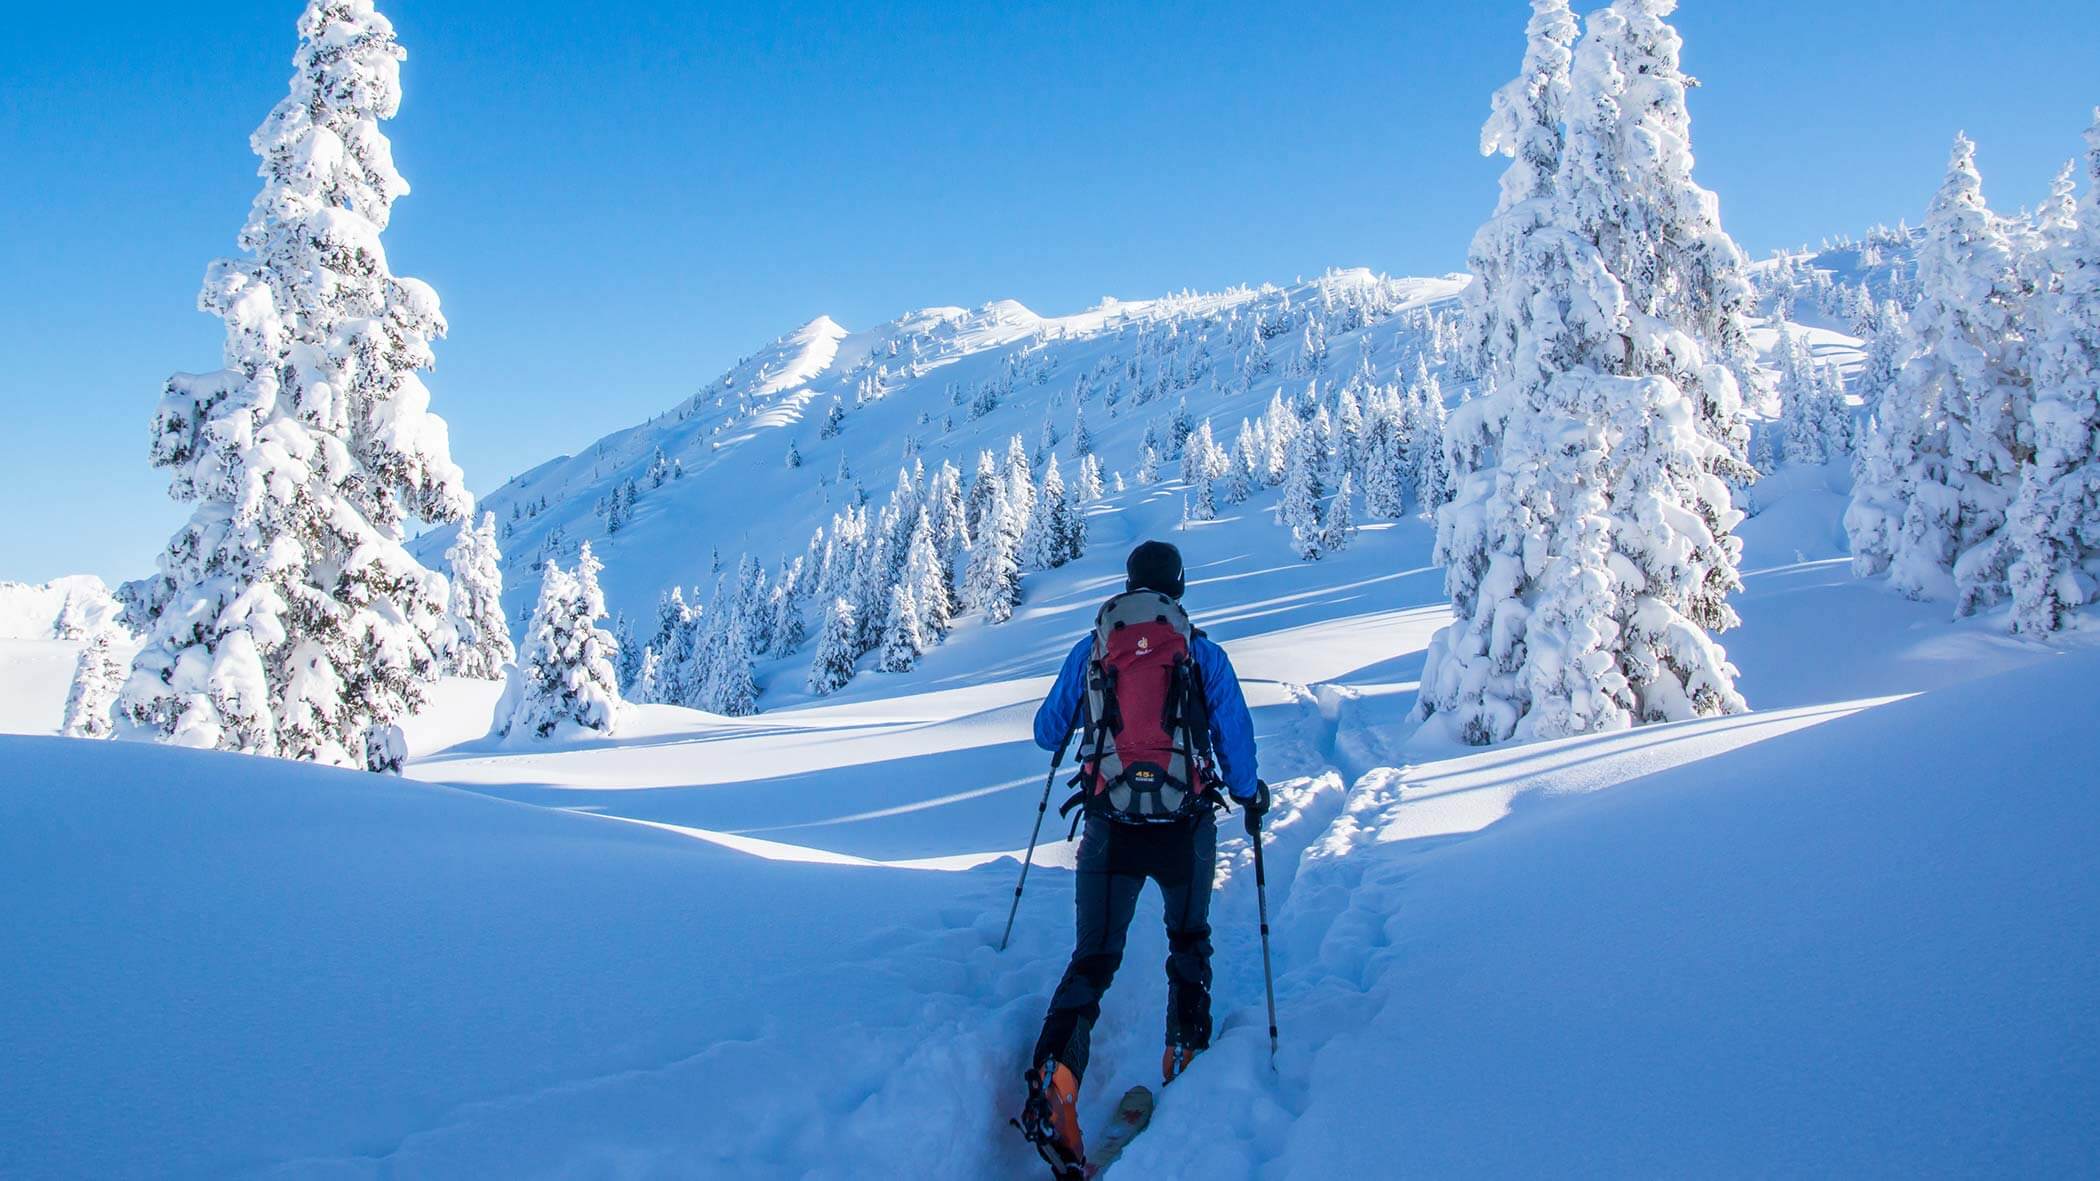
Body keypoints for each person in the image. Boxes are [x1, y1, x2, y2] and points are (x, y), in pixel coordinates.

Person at [1017, 539, 1267, 1174]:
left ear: (1128, 586)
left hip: (1109, 826)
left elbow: (1049, 731)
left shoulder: (1096, 646)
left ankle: (1057, 1081)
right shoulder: (1200, 651)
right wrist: (1248, 794)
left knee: (1093, 959)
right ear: (1177, 589)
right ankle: (1183, 1060)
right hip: (1185, 825)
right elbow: (1235, 739)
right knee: (1189, 941)